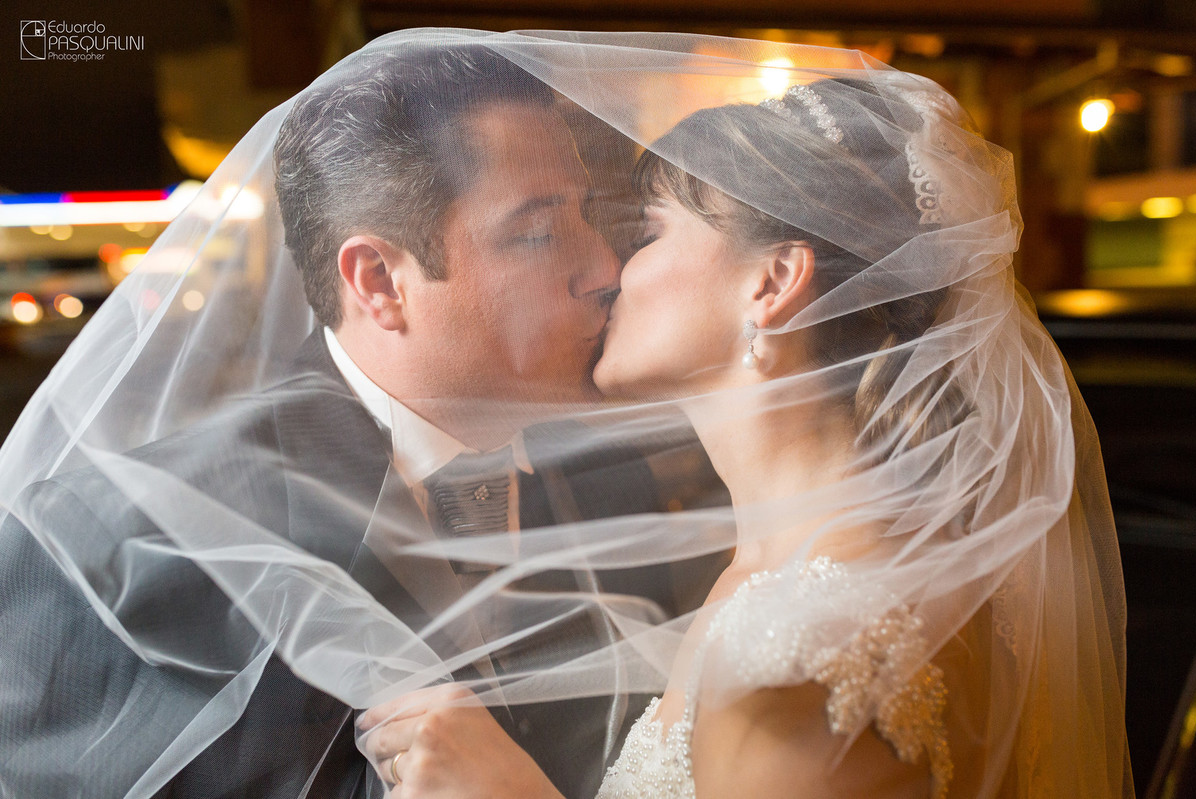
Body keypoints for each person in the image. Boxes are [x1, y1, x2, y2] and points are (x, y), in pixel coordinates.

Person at [352, 41, 1134, 799]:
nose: (606, 271)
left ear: (773, 282)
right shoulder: (781, 580)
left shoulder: (809, 657)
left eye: (648, 231)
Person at [0, 35, 725, 798]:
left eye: (588, 216)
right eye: (538, 231)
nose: (604, 268)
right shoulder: (113, 538)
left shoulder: (621, 482)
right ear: (378, 278)